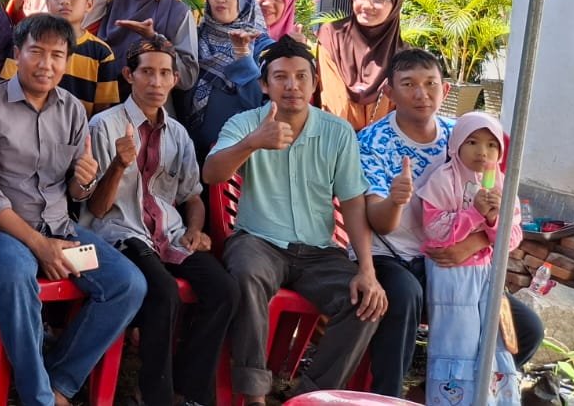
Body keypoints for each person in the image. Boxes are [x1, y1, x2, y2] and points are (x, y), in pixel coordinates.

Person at [0, 14, 146, 406]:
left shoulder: (73, 110)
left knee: (127, 284)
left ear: (67, 61)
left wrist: (85, 180)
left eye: (57, 55)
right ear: (17, 54)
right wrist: (39, 245)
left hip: (60, 233)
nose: (46, 64)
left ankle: (60, 383)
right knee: (16, 275)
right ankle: (38, 398)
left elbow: (76, 192)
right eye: (37, 52)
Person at [203, 36, 386, 404]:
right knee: (247, 276)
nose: (292, 86)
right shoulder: (245, 123)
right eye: (281, 77)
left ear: (314, 82)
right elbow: (211, 174)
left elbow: (352, 202)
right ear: (264, 85)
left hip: (319, 252)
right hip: (258, 241)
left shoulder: (337, 131)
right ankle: (253, 395)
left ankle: (310, 397)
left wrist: (367, 269)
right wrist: (252, 143)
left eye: (302, 76)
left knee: (365, 302)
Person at [357, 48, 541, 398]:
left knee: (526, 329)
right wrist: (396, 200)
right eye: (408, 84)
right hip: (394, 256)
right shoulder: (372, 142)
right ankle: (388, 397)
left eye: (430, 83)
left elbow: (500, 203)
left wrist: (471, 244)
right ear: (390, 91)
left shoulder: (464, 136)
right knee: (404, 296)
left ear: (445, 89)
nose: (421, 94)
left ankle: (445, 393)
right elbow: (378, 223)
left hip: (459, 263)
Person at [84, 39, 237, 406]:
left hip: (169, 234)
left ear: (174, 79)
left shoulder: (178, 134)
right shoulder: (104, 126)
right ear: (129, 75)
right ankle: (154, 395)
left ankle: (186, 390)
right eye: (147, 72)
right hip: (119, 234)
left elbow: (192, 196)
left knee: (225, 290)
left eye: (165, 73)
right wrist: (119, 165)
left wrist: (195, 230)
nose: (156, 81)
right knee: (164, 291)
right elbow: (97, 209)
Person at [419, 112, 523, 406]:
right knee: (458, 343)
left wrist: (493, 220)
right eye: (473, 142)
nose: (482, 152)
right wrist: (474, 213)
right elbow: (435, 231)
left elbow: (512, 239)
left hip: (488, 275)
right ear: (456, 146)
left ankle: (491, 400)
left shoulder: (503, 185)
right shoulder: (443, 179)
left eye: (492, 145)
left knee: (493, 342)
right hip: (451, 276)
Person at [181, 0, 272, 161]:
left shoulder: (263, 47)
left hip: (236, 160)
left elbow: (261, 106)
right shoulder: (194, 38)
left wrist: (243, 57)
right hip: (187, 157)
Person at [2, 0, 120, 116]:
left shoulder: (101, 53)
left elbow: (103, 111)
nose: (64, 1)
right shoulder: (26, 41)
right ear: (47, 1)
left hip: (78, 128)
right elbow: (6, 89)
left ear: (89, 4)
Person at [317, 0, 404, 129]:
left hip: (382, 140)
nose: (367, 5)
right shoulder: (332, 36)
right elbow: (332, 98)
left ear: (395, 6)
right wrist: (344, 139)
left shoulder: (402, 56)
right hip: (333, 134)